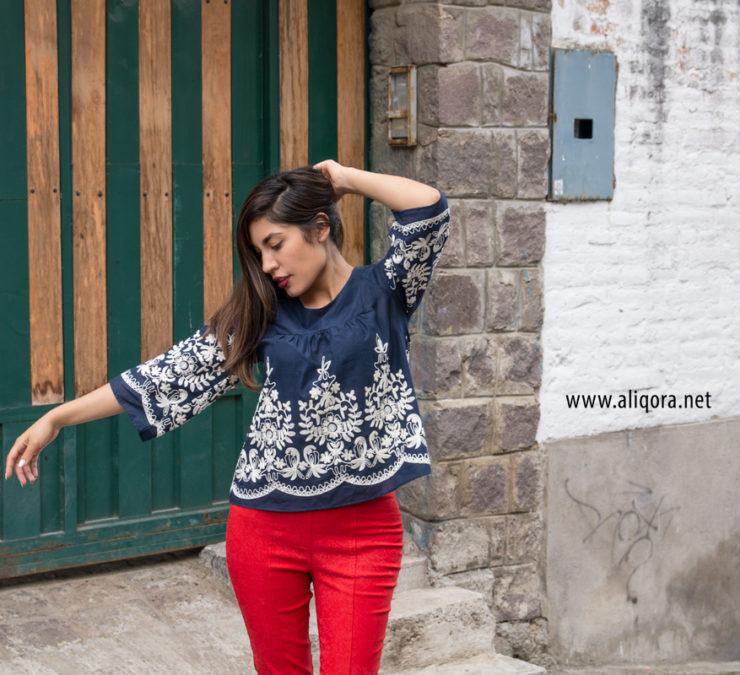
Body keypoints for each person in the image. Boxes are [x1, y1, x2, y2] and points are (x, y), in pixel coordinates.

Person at [4, 160, 450, 675]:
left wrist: (342, 178)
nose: (267, 264)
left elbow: (427, 209)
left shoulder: (387, 292)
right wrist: (57, 417)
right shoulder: (260, 313)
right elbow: (166, 377)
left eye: (275, 244)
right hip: (263, 529)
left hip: (361, 531)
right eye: (258, 252)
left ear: (321, 227)